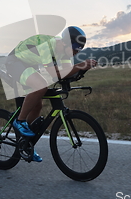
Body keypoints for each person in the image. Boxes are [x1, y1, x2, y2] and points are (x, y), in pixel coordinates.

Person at [5, 26, 97, 162]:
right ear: (65, 42)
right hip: (15, 61)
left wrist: (81, 71)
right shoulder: (47, 44)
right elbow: (54, 74)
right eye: (75, 48)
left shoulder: (65, 53)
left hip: (30, 64)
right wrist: (80, 65)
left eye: (79, 50)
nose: (76, 52)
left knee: (37, 105)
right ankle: (20, 121)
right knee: (41, 85)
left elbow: (65, 72)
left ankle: (25, 143)